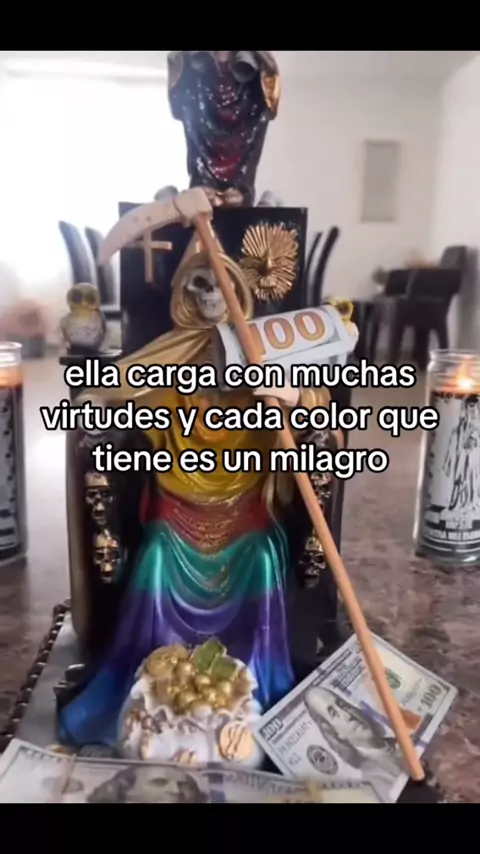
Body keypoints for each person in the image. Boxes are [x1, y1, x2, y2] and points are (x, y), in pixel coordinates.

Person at [59, 252, 336, 748]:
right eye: (199, 285)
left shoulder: (262, 349)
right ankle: (153, 686)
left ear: (239, 292)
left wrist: (292, 396)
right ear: (184, 295)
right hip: (179, 501)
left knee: (262, 557)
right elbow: (119, 388)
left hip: (244, 503)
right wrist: (95, 402)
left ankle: (257, 687)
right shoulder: (172, 352)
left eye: (220, 285)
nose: (210, 296)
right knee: (155, 555)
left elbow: (318, 403)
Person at [304, 686, 402, 797]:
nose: (348, 715)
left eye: (342, 705)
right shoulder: (374, 780)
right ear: (334, 733)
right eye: (334, 714)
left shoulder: (396, 739)